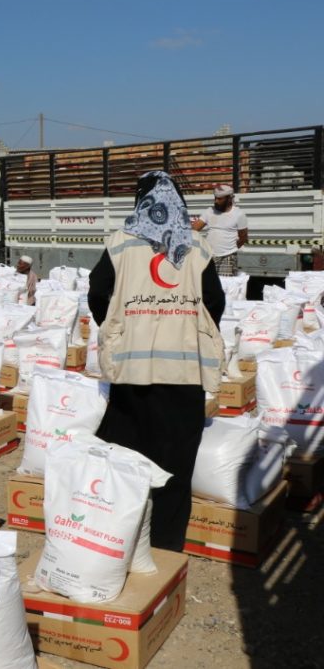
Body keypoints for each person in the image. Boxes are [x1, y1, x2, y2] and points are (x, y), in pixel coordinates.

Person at [88, 170, 225, 552]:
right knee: (175, 466)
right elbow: (214, 302)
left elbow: (99, 293)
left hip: (131, 374)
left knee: (126, 461)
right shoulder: (196, 246)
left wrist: (121, 327)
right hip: (184, 374)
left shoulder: (120, 244)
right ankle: (163, 550)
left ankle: (121, 542)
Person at [192, 183, 248, 277]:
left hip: (228, 257)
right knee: (208, 286)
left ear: (229, 198)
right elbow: (194, 229)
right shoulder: (209, 211)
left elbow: (243, 237)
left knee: (225, 286)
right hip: (209, 256)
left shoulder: (239, 214)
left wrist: (231, 249)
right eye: (215, 198)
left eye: (220, 199)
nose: (216, 201)